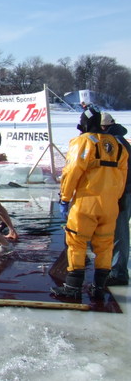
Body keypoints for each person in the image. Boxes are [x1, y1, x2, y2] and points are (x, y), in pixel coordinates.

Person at [51, 107, 128, 301]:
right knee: (104, 245)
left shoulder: (83, 142)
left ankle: (72, 287)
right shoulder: (118, 144)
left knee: (76, 242)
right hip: (110, 206)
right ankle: (98, 287)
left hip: (86, 203)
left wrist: (65, 198)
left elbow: (71, 172)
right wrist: (115, 200)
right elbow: (122, 176)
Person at [100, 112, 131, 286]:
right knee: (115, 230)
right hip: (122, 191)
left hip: (123, 192)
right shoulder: (116, 139)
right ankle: (113, 267)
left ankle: (119, 272)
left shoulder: (115, 142)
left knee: (119, 231)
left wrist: (119, 193)